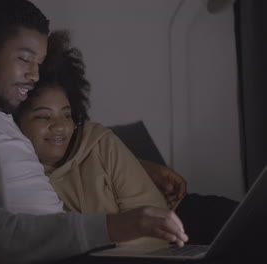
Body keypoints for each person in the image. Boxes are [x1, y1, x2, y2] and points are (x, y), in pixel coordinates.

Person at [0, 0, 187, 263]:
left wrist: (142, 167)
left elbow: (66, 156)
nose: (35, 75)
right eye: (25, 60)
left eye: (38, 63)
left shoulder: (7, 120)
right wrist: (116, 225)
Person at [14, 29, 237, 246]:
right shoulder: (20, 178)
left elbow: (155, 228)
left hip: (180, 221)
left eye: (66, 115)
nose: (60, 127)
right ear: (15, 121)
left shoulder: (99, 141)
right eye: (43, 117)